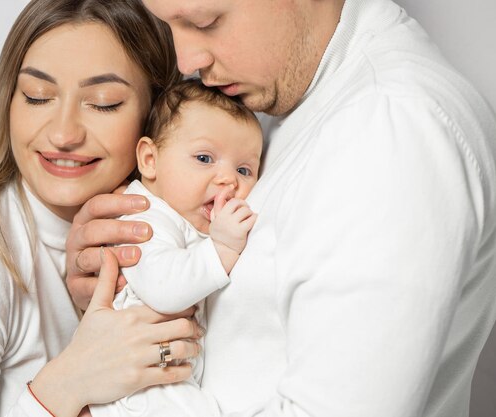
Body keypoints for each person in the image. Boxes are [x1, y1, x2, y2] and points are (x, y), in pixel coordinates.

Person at [68, 0, 496, 415]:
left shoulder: (391, 128)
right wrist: (120, 292)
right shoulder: (283, 92)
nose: (186, 61)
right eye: (169, 25)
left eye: (205, 21)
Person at [0, 1, 205, 416]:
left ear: (155, 118)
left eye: (102, 103)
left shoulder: (161, 243)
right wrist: (65, 385)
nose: (63, 133)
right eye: (37, 96)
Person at [90, 79, 262, 417]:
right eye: (204, 158)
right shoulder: (140, 215)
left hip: (163, 380)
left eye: (244, 169)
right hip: (137, 391)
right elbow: (164, 288)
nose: (228, 179)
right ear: (150, 160)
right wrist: (222, 247)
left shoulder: (184, 219)